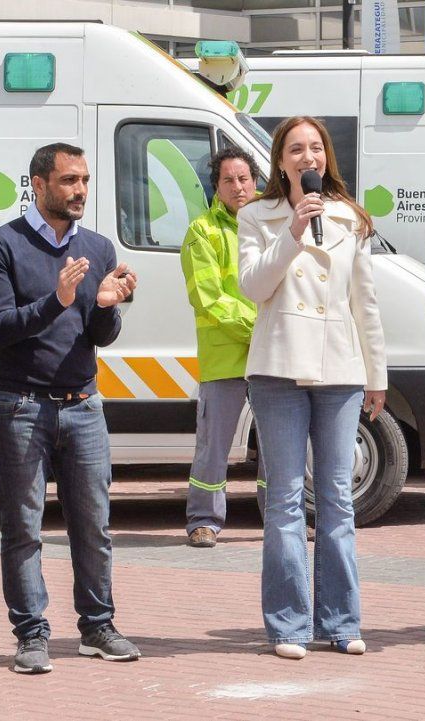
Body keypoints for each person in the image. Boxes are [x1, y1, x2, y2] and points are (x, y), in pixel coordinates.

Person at [0, 142, 139, 674]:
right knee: (23, 528)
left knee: (94, 525)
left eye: (84, 180)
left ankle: (98, 627)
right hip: (20, 406)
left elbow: (100, 335)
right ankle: (31, 635)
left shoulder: (97, 247)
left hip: (83, 405)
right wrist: (57, 300)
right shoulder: (1, 245)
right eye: (69, 180)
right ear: (39, 184)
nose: (80, 191)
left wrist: (107, 306)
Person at [238, 115, 387, 660]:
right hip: (278, 366)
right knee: (283, 499)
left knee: (337, 498)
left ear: (327, 157)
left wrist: (377, 375)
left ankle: (341, 621)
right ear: (280, 161)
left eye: (316, 148)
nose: (309, 157)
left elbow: (364, 302)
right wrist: (293, 231)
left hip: (340, 368)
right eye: (297, 149)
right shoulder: (257, 215)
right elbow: (254, 285)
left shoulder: (352, 218)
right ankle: (288, 626)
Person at [180, 147, 266, 548]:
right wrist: (262, 328)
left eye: (244, 178)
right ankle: (203, 521)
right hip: (226, 356)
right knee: (213, 447)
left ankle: (281, 519)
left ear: (255, 181)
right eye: (228, 180)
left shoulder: (271, 224)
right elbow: (208, 298)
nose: (238, 187)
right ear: (216, 186)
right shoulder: (202, 231)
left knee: (278, 446)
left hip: (270, 356)